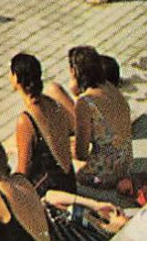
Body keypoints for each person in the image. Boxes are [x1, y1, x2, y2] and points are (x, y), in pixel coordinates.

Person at [47, 47, 132, 190]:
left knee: (57, 161)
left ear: (74, 72)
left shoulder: (85, 103)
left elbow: (81, 154)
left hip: (105, 174)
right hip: (125, 163)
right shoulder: (110, 87)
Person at [11, 52, 77, 195]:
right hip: (69, 182)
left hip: (50, 189)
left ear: (16, 78)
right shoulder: (52, 102)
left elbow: (23, 171)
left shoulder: (26, 120)